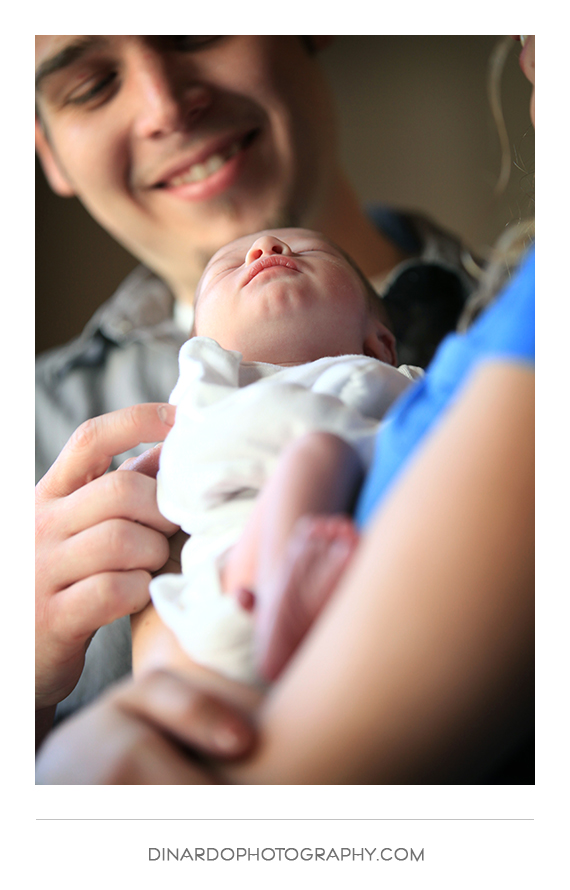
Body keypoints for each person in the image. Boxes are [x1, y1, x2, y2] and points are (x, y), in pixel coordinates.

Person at [36, 35, 534, 784]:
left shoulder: (516, 334)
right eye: (91, 85)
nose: (165, 107)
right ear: (47, 152)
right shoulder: (30, 423)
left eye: (193, 31)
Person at [147, 226, 422, 685]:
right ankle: (282, 594)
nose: (266, 248)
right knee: (318, 452)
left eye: (310, 250)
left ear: (380, 344)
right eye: (228, 266)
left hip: (390, 603)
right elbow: (184, 474)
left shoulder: (407, 383)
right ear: (199, 344)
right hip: (233, 593)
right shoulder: (210, 388)